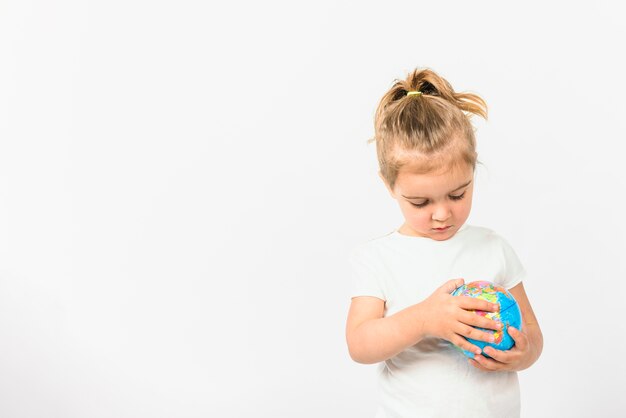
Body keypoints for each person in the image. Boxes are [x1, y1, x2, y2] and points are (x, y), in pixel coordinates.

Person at [345, 67, 543, 418]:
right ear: (389, 186)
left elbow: (532, 334)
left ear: (473, 174)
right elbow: (360, 344)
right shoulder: (377, 258)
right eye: (420, 203)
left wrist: (522, 354)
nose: (441, 214)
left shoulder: (493, 247)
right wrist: (424, 319)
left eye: (457, 194)